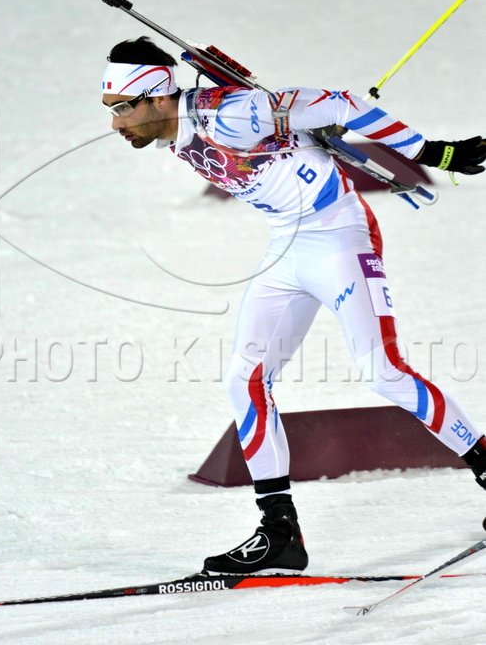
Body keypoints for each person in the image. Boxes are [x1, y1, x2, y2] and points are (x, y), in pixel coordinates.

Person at [102, 36, 486, 577]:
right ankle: (279, 532)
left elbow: (342, 104)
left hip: (341, 240)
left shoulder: (232, 112)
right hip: (287, 246)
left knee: (384, 372)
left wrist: (431, 152)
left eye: (123, 107)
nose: (115, 123)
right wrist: (297, 133)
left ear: (158, 96)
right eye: (110, 109)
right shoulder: (180, 125)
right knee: (245, 379)